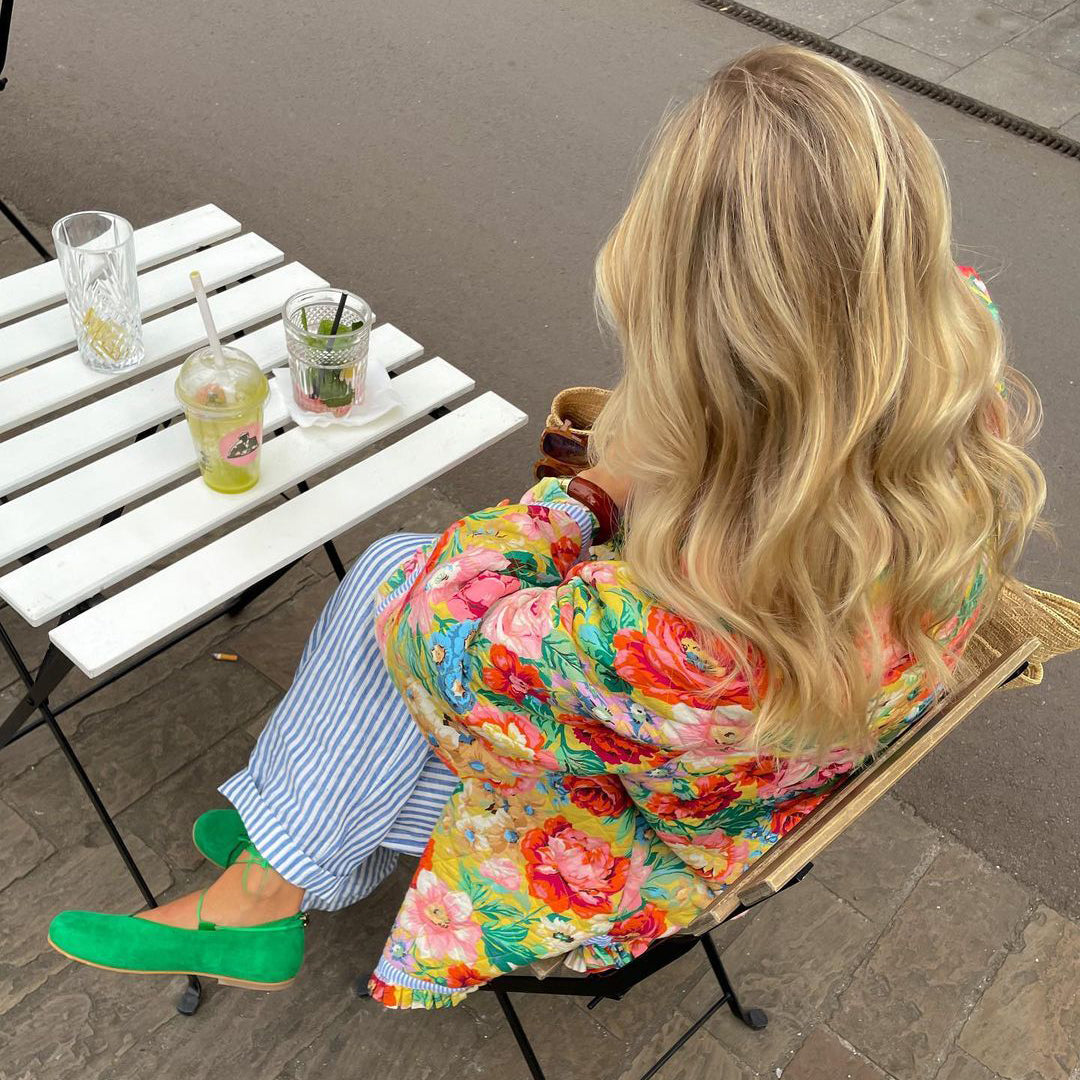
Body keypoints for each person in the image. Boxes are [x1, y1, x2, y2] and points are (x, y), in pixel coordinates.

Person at [48, 45, 1045, 1008]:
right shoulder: (955, 364)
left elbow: (439, 629)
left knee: (397, 597)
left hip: (648, 834)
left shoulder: (682, 629)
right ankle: (283, 841)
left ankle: (264, 891)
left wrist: (600, 486)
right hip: (767, 751)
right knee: (395, 565)